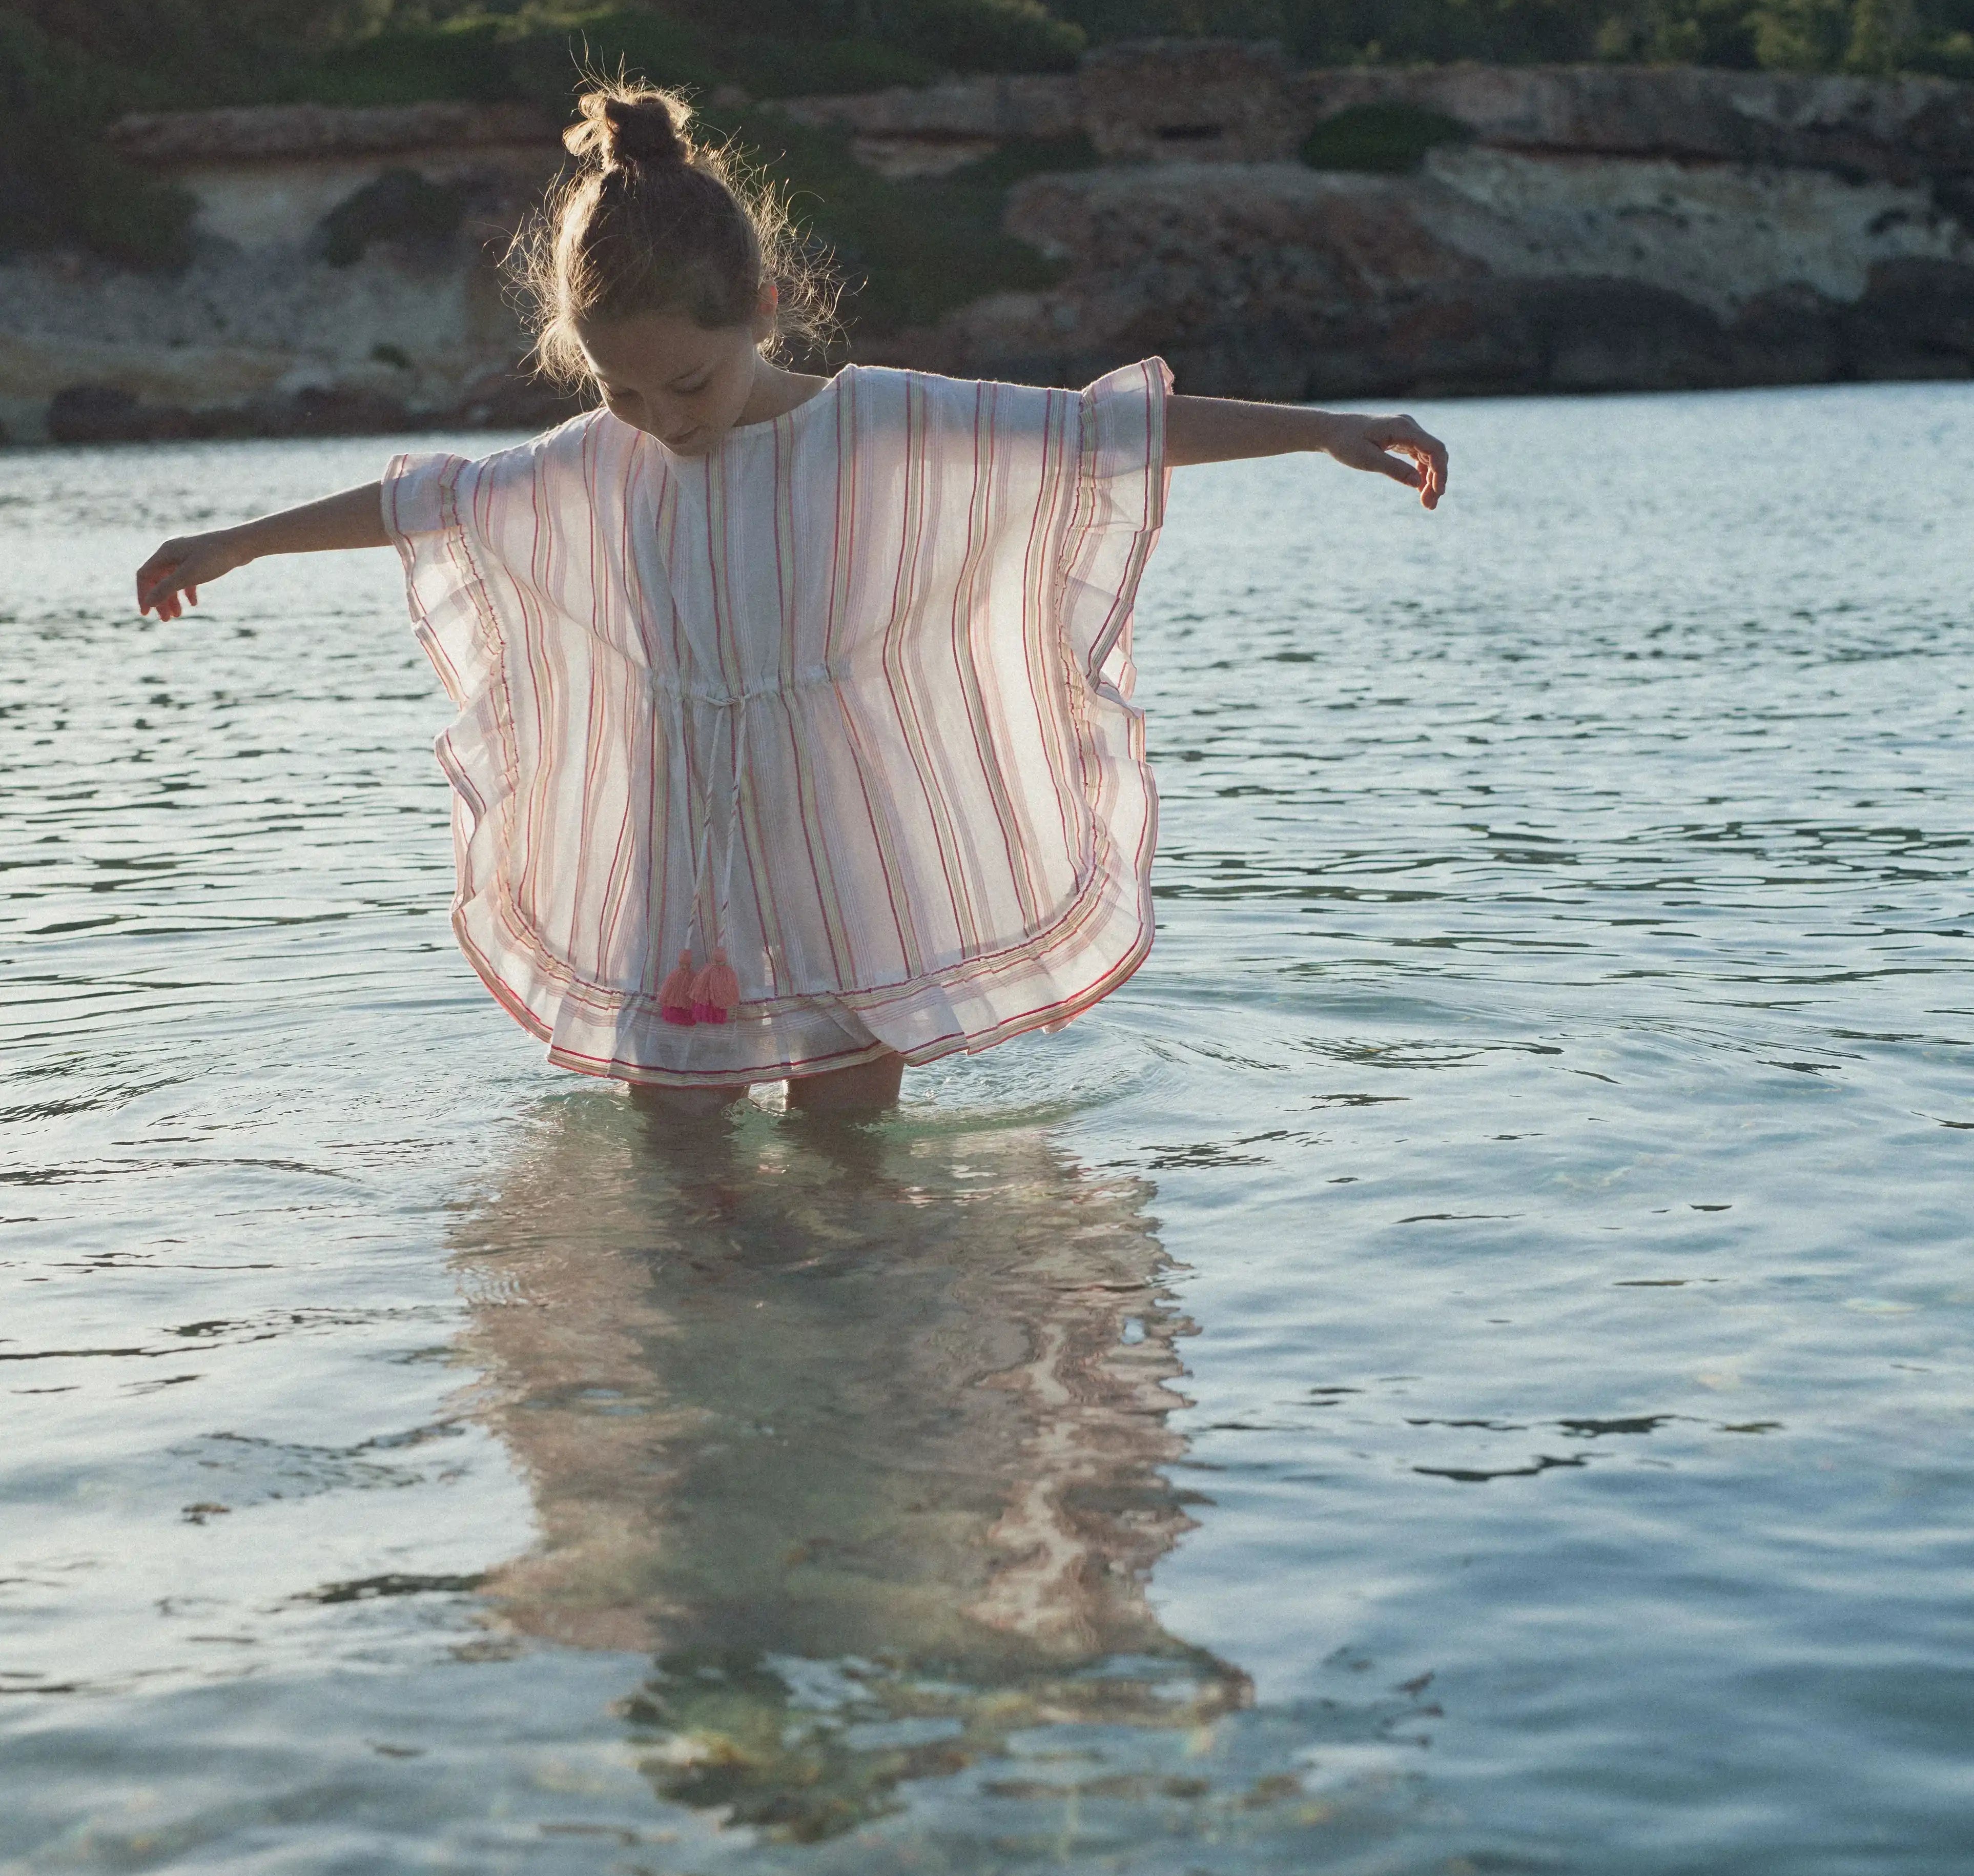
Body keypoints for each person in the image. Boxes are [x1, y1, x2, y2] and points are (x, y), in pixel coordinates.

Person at [135, 84, 1448, 1119]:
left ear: (762, 310)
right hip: (669, 848)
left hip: (847, 839)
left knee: (844, 1152)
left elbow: (1094, 436)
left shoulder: (874, 424)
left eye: (687, 385)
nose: (660, 420)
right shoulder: (594, 464)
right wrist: (236, 542)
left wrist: (1321, 428)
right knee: (671, 1151)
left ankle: (835, 1390)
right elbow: (429, 503)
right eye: (622, 390)